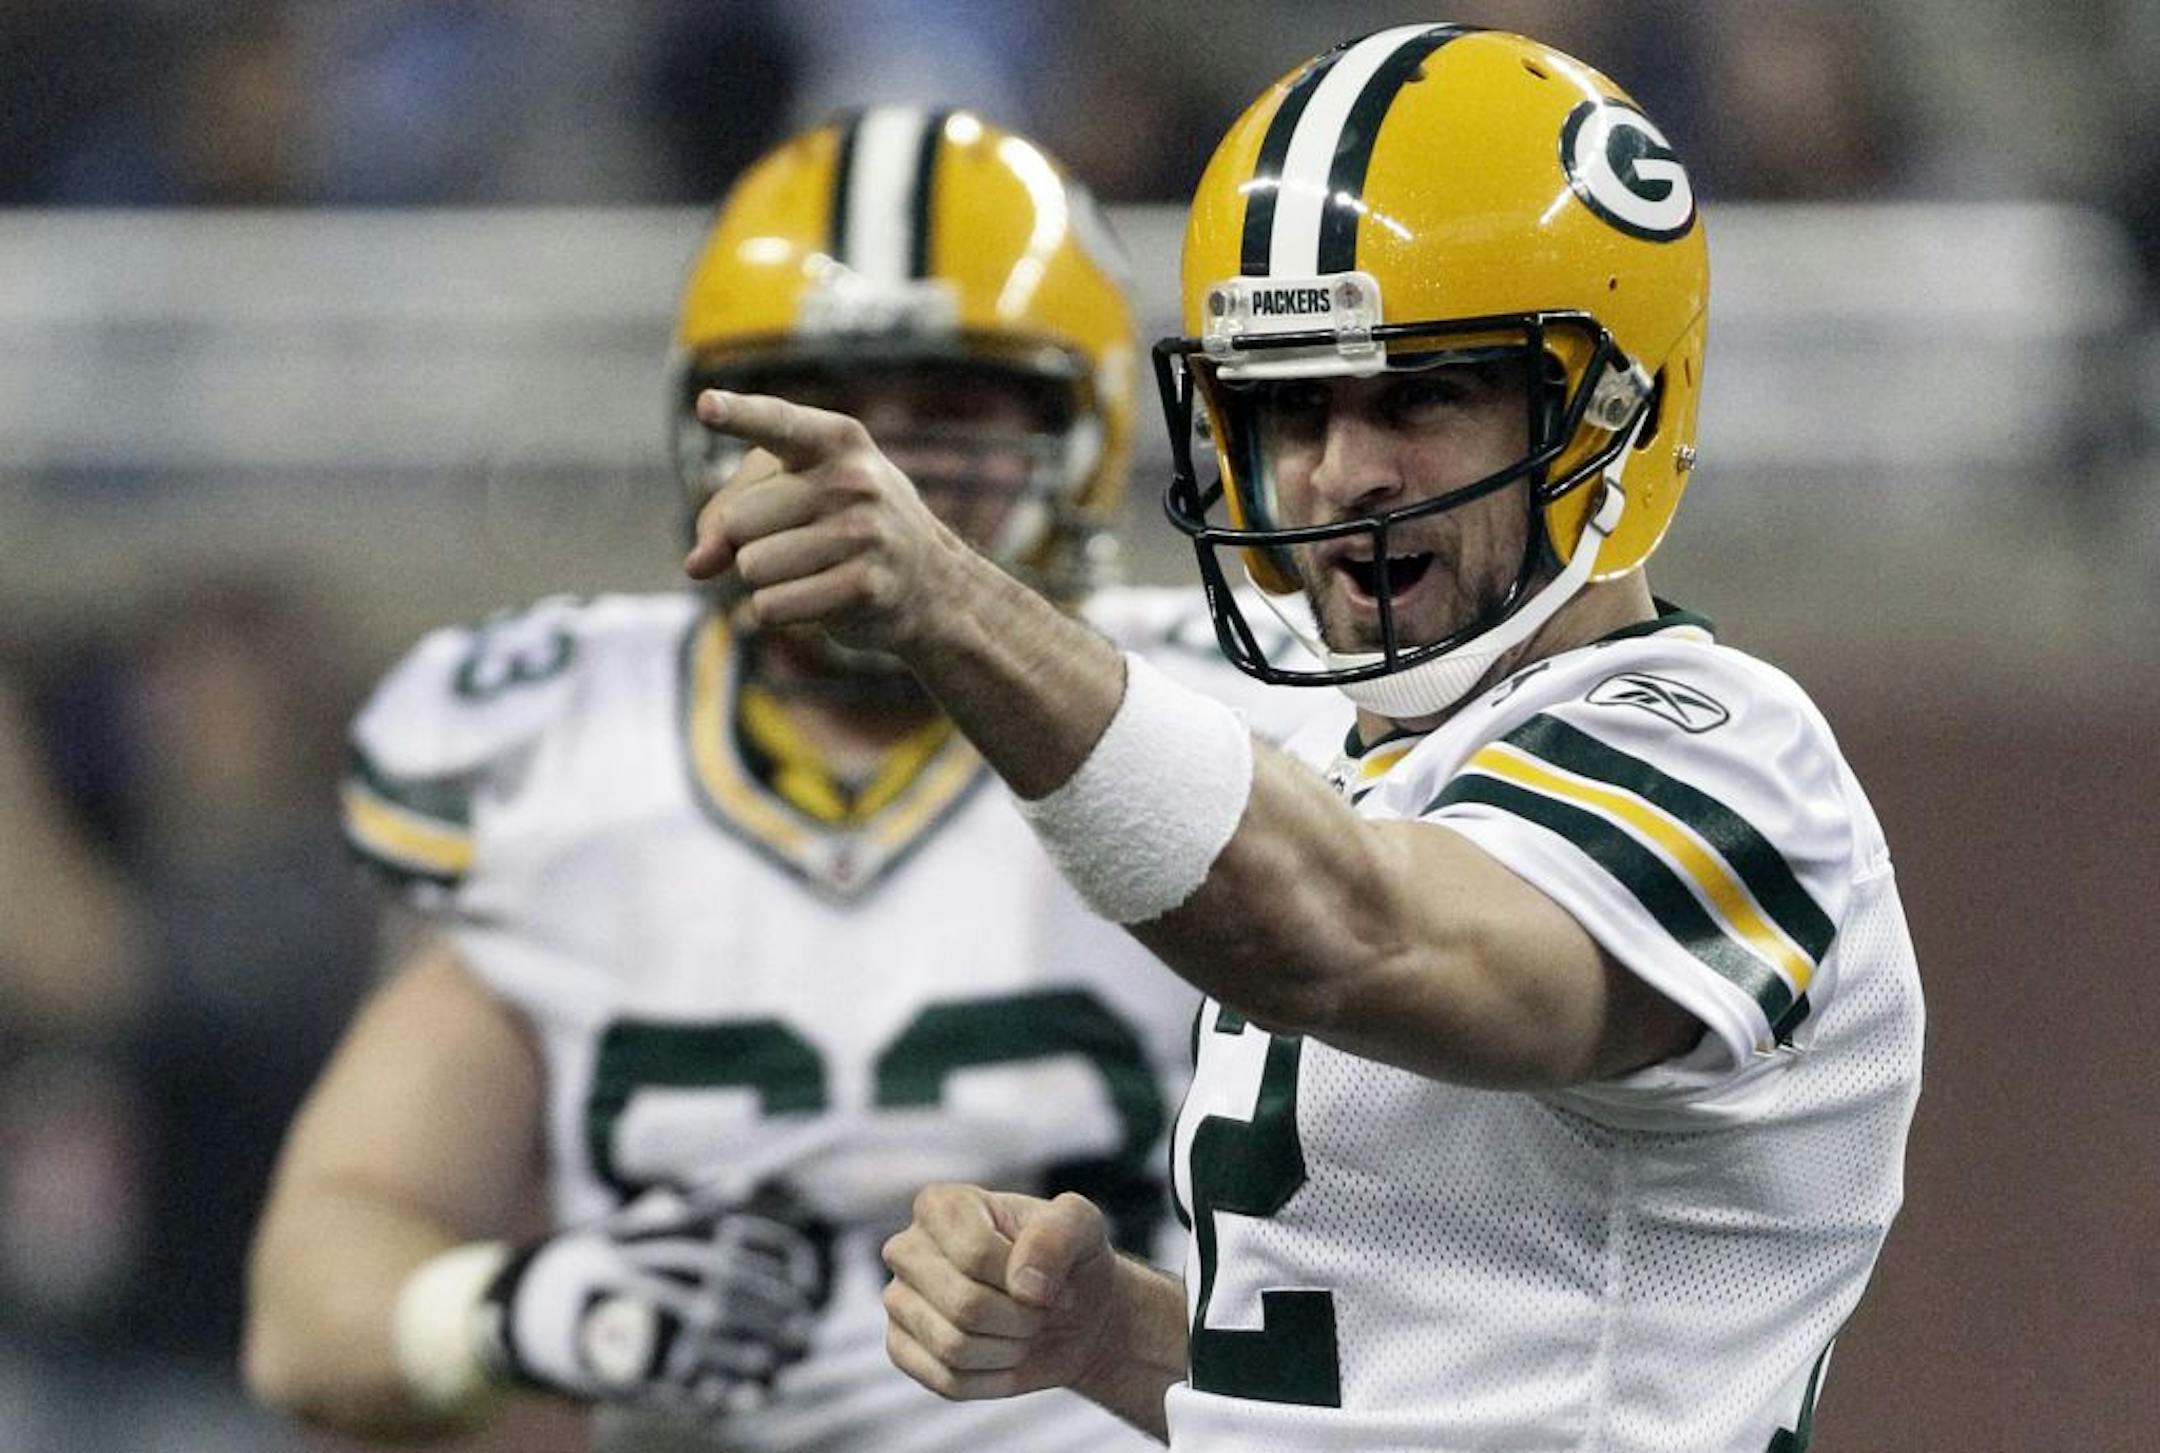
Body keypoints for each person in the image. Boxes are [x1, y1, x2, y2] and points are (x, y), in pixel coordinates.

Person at [684, 26, 1925, 1453]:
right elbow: (1405, 1390)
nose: (1343, 472)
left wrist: (956, 603)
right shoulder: (1353, 761)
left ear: (1614, 410)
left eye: (1421, 395)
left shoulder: (1728, 758)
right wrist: (1113, 1335)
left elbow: (1359, 939)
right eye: (1288, 405)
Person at [243, 107, 1307, 1453]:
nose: (868, 476)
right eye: (815, 407)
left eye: (949, 417)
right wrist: (516, 1310)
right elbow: (313, 1297)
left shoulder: (1221, 717)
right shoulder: (558, 743)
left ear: (1079, 436)